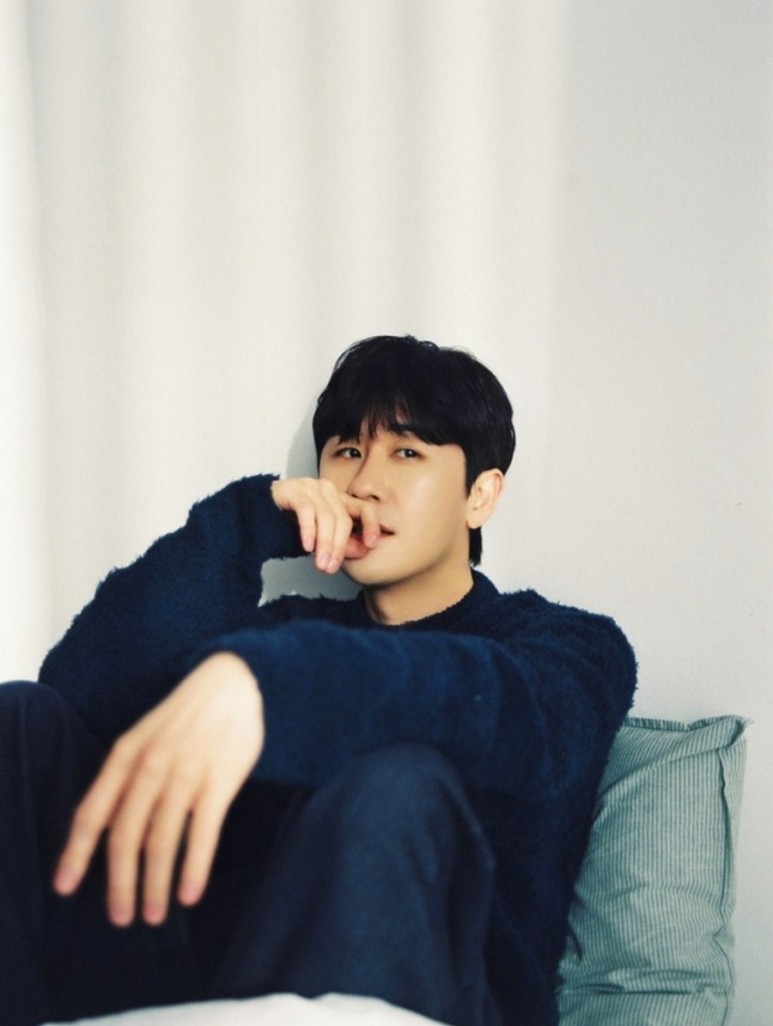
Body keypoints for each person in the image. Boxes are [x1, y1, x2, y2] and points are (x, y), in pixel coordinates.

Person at [0, 335, 636, 1026]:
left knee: (396, 780)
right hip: (220, 988)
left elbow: (501, 706)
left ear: (479, 495)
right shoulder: (279, 635)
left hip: (437, 994)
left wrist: (271, 685)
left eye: (406, 453)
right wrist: (253, 521)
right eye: (347, 451)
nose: (364, 484)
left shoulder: (567, 647)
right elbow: (84, 690)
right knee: (21, 721)